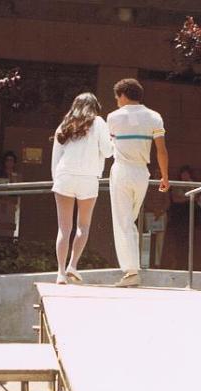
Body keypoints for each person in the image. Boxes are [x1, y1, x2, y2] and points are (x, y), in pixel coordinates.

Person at [107, 78, 169, 287]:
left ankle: (131, 271)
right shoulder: (154, 117)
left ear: (123, 95)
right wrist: (165, 176)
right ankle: (132, 269)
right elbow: (161, 149)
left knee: (123, 222)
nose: (116, 101)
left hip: (122, 171)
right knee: (129, 221)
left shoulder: (113, 117)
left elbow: (108, 147)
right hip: (142, 173)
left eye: (117, 97)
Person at [51, 92, 113, 284]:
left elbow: (56, 156)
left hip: (64, 176)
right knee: (83, 226)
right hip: (88, 178)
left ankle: (60, 272)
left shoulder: (65, 124)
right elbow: (108, 152)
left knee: (64, 228)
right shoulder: (99, 123)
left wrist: (56, 180)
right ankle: (73, 265)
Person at [143, 167, 170, 268]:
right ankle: (146, 262)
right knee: (148, 238)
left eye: (160, 173)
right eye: (156, 172)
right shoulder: (148, 185)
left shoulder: (163, 185)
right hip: (150, 214)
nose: (158, 174)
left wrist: (161, 211)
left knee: (160, 240)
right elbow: (145, 200)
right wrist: (154, 210)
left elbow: (167, 201)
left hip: (161, 215)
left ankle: (157, 263)